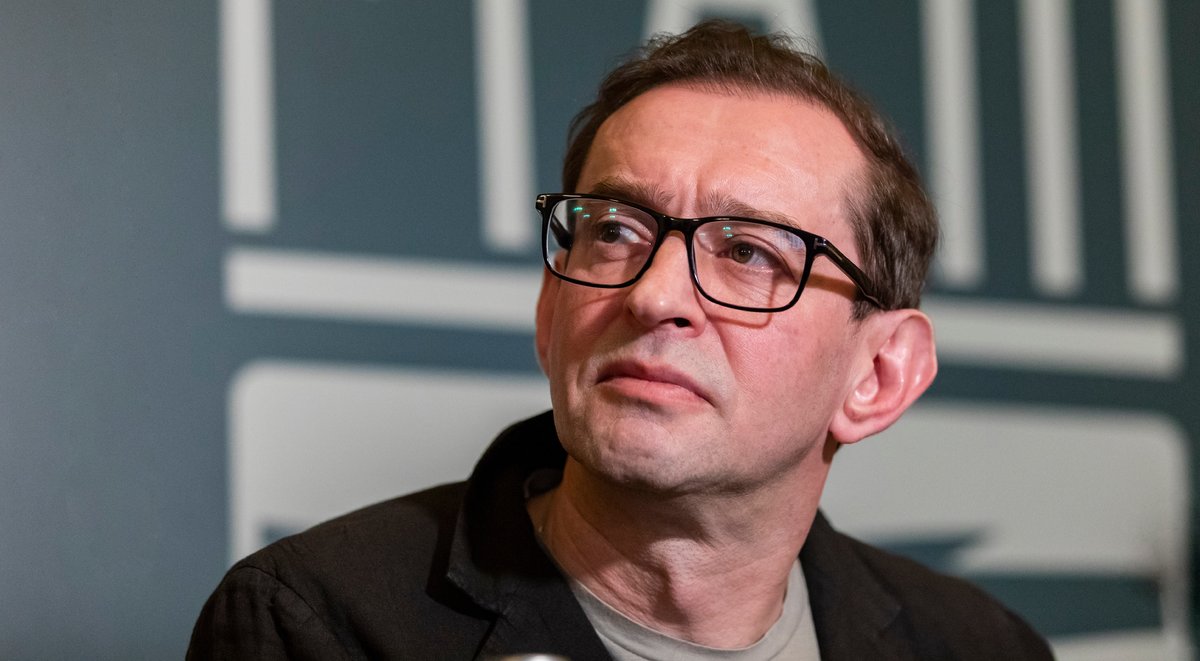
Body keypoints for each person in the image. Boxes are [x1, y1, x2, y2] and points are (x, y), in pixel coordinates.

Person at [189, 20, 1053, 660]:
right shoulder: (315, 624)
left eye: (749, 252)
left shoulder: (980, 647)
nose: (654, 295)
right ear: (549, 308)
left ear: (879, 374)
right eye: (613, 232)